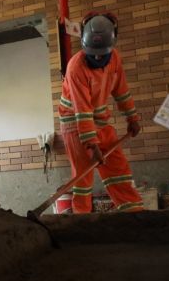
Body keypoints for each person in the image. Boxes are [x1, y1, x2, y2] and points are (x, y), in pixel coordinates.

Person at [58, 12, 144, 213]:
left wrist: (132, 118)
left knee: (118, 169)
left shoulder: (115, 59)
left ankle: (134, 213)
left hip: (99, 119)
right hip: (74, 121)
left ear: (112, 46)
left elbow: (121, 91)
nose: (97, 57)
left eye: (101, 53)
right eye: (92, 52)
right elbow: (82, 110)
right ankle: (82, 219)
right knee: (83, 176)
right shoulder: (75, 67)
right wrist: (91, 144)